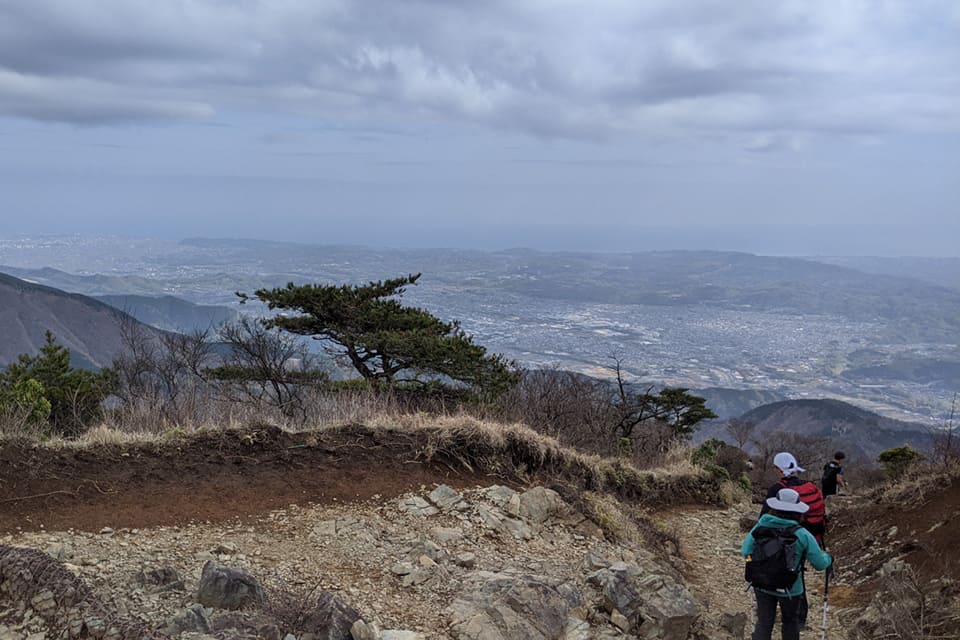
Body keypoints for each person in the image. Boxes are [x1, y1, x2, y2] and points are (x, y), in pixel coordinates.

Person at [743, 487, 833, 640]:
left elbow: (745, 551)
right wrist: (828, 558)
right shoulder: (802, 534)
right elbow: (819, 564)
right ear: (798, 511)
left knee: (764, 622)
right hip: (791, 587)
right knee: (790, 622)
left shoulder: (761, 526)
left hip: (762, 583)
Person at [760, 452, 827, 629]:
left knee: (774, 571)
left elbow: (764, 517)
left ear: (777, 469)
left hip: (778, 539)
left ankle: (774, 613)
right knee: (797, 574)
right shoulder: (810, 487)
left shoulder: (777, 489)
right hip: (806, 539)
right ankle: (799, 617)